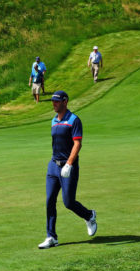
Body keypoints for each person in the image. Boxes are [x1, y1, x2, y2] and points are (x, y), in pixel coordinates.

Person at [38, 90, 97, 249]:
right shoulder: (53, 121)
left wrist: (69, 164)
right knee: (50, 200)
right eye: (53, 101)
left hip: (68, 166)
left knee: (68, 202)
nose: (54, 104)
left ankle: (89, 215)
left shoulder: (74, 120)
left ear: (65, 101)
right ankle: (51, 237)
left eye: (57, 101)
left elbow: (77, 144)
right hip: (53, 166)